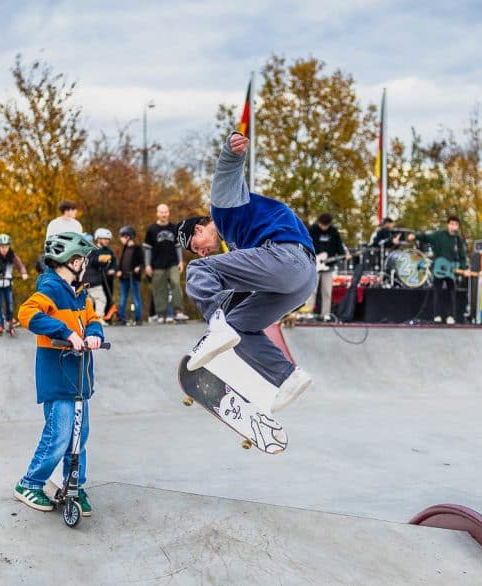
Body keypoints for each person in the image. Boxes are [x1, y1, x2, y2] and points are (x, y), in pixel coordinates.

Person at [176, 131, 315, 412]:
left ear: (200, 228)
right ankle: (288, 377)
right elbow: (239, 293)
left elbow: (226, 173)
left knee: (198, 270)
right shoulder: (238, 246)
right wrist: (219, 328)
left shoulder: (222, 207)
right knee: (237, 325)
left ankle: (217, 326)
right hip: (300, 281)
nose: (202, 252)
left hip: (287, 257)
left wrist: (232, 150)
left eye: (196, 246)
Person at [13, 231, 103, 515]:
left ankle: (73, 484)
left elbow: (92, 319)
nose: (85, 265)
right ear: (73, 261)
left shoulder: (79, 293)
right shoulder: (50, 288)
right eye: (84, 260)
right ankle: (30, 483)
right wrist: (65, 332)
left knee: (79, 436)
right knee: (60, 435)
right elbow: (26, 313)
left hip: (79, 378)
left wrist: (94, 333)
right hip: (58, 374)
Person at [411, 216, 468, 324]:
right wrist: (416, 236)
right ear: (448, 225)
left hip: (451, 269)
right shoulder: (439, 235)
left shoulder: (458, 239)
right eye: (451, 224)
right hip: (439, 268)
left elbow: (462, 255)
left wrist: (463, 267)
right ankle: (437, 315)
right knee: (437, 292)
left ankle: (451, 316)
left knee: (451, 293)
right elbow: (426, 237)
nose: (453, 226)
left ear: (458, 226)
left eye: (456, 224)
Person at [145, 203, 188, 323]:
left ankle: (178, 312)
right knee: (159, 289)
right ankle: (161, 314)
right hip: (157, 265)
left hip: (172, 263)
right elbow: (147, 249)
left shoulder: (174, 228)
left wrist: (180, 261)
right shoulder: (151, 229)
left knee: (176, 283)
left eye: (166, 212)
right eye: (161, 212)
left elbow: (178, 246)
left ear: (168, 213)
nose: (164, 214)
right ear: (157, 213)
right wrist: (147, 265)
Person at [0, 233, 30, 334]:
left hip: (7, 283)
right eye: (2, 247)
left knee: (9, 303)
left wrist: (24, 273)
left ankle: (9, 320)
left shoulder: (12, 255)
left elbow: (20, 265)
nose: (4, 249)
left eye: (6, 247)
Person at [308, 213, 349, 321]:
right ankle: (309, 312)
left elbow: (339, 245)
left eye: (326, 225)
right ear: (319, 223)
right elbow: (306, 245)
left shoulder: (333, 231)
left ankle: (325, 314)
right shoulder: (312, 230)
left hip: (328, 266)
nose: (324, 227)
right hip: (314, 265)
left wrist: (344, 255)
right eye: (322, 225)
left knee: (327, 291)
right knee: (312, 291)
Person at [83, 228, 118, 318]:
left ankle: (92, 318)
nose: (107, 241)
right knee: (100, 299)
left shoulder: (109, 251)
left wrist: (113, 269)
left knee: (91, 300)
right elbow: (94, 262)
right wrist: (103, 261)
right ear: (98, 239)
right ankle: (98, 318)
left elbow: (114, 263)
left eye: (108, 239)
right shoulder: (93, 250)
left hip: (104, 279)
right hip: (94, 280)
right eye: (105, 239)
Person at [116, 226, 145, 326]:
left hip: (133, 277)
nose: (121, 239)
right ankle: (121, 318)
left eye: (122, 237)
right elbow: (122, 262)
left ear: (128, 237)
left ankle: (138, 318)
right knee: (123, 298)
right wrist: (119, 270)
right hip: (124, 277)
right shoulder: (124, 248)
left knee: (136, 297)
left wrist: (138, 268)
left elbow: (142, 262)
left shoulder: (137, 249)